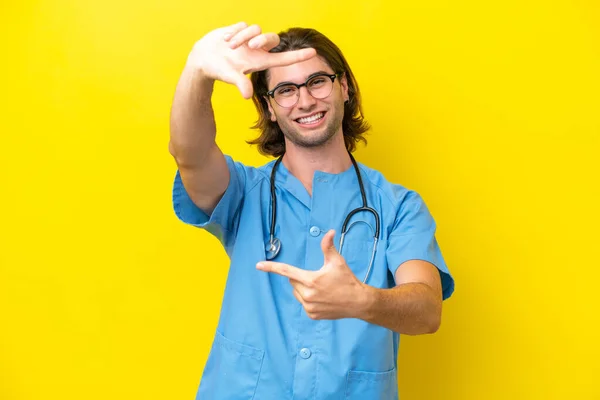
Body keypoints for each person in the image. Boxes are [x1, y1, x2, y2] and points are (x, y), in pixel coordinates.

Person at [169, 21, 455, 400]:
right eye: (286, 90)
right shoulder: (242, 193)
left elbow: (426, 309)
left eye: (317, 81)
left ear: (344, 87)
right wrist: (197, 72)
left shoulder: (398, 206)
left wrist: (362, 300)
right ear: (268, 107)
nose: (304, 101)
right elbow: (189, 153)